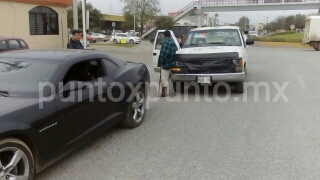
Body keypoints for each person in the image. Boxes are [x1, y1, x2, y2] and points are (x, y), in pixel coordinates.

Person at [157, 30, 177, 97]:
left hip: (166, 64)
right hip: (171, 62)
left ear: (165, 35)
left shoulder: (167, 42)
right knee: (167, 78)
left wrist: (161, 62)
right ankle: (165, 92)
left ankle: (164, 93)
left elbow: (165, 54)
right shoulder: (172, 41)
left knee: (164, 78)